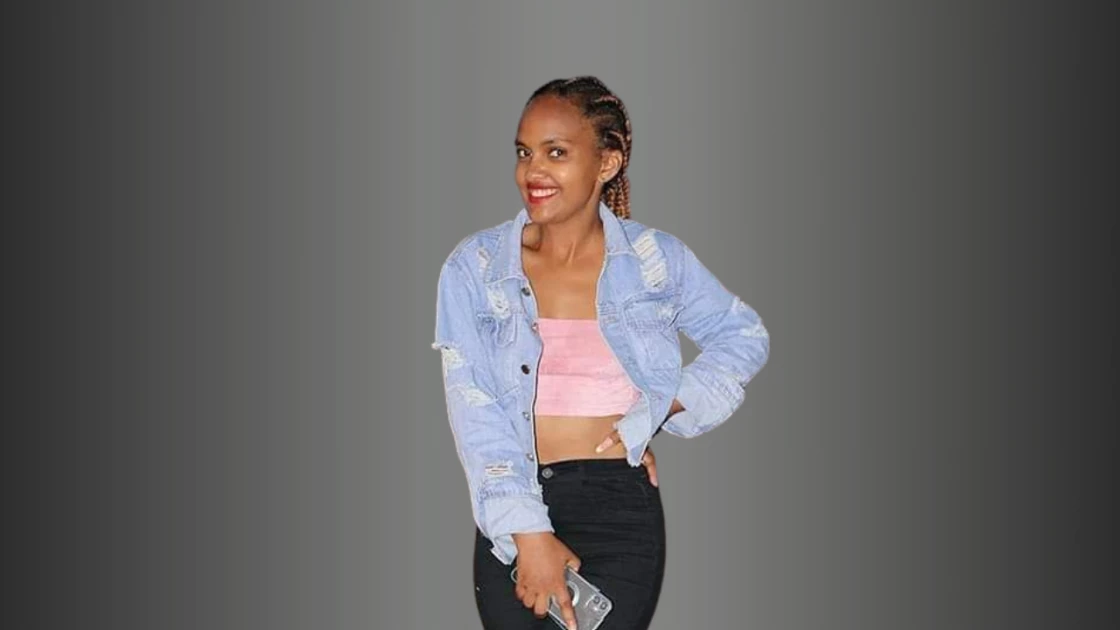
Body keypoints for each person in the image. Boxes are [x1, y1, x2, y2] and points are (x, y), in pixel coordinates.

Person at [432, 76, 770, 630]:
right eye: (524, 152)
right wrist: (529, 533)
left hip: (619, 514)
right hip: (513, 509)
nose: (532, 171)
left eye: (556, 153)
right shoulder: (476, 266)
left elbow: (743, 336)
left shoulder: (655, 261)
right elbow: (474, 409)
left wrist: (661, 406)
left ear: (607, 163)